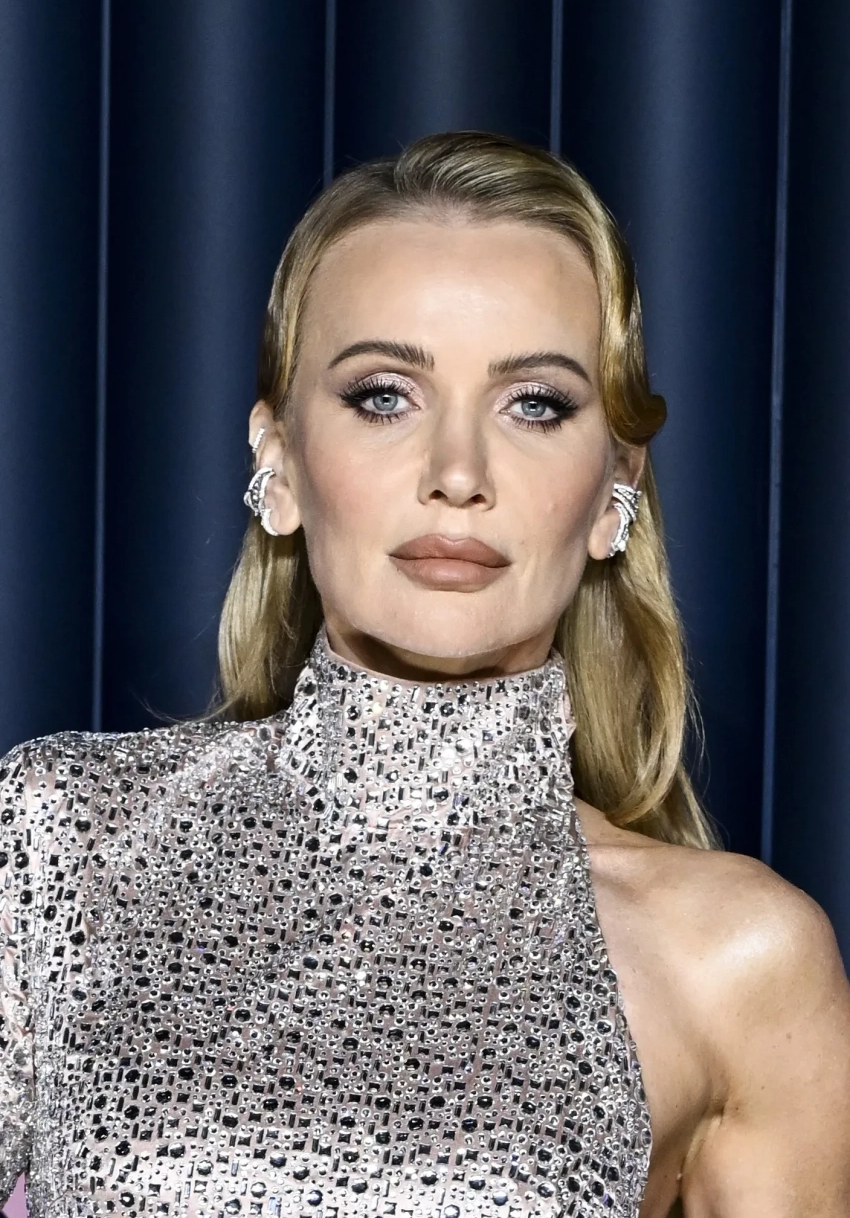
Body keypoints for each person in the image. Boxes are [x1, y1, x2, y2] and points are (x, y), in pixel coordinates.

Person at [1, 132, 848, 1218]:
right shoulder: (66, 835)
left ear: (614, 492)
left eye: (535, 404)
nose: (458, 473)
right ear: (278, 460)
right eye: (383, 396)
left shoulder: (735, 956)